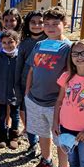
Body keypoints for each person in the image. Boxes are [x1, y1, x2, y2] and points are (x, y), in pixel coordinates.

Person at [25, 7, 72, 167]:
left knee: (59, 137)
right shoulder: (39, 44)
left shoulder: (68, 47)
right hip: (35, 99)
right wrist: (28, 93)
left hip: (55, 103)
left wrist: (61, 101)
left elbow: (69, 75)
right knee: (43, 133)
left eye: (55, 23)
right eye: (47, 24)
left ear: (65, 24)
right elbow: (31, 69)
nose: (50, 27)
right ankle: (46, 161)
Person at [15, 10, 47, 158]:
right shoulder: (25, 43)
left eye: (40, 22)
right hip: (25, 84)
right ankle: (32, 144)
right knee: (29, 116)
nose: (37, 25)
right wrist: (16, 85)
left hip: (44, 87)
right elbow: (19, 65)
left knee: (43, 118)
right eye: (33, 22)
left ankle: (44, 148)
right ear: (27, 24)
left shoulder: (50, 41)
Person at [0, 8, 23, 130]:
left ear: (18, 20)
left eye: (12, 20)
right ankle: (4, 128)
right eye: (6, 20)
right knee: (3, 104)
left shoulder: (22, 36)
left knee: (16, 105)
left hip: (16, 73)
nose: (9, 23)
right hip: (2, 72)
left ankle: (18, 130)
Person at [0, 30, 21, 149]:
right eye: (4, 42)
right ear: (1, 43)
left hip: (15, 93)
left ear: (17, 42)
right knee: (2, 115)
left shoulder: (19, 57)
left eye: (11, 42)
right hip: (1, 92)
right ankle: (2, 137)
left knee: (15, 115)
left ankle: (14, 136)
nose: (8, 45)